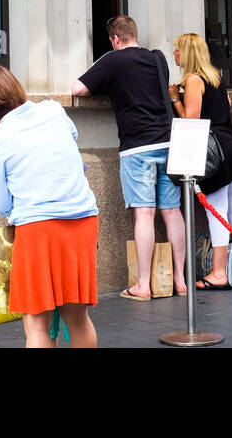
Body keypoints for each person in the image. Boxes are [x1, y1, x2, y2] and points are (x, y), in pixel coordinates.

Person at [0, 65, 99, 348]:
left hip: (38, 228)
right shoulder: (54, 110)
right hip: (82, 220)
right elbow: (72, 137)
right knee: (78, 318)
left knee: (37, 323)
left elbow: (3, 205)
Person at [72, 15, 186, 299]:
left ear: (114, 39)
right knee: (172, 211)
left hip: (137, 146)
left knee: (144, 213)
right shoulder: (158, 58)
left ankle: (143, 285)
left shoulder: (113, 60)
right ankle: (181, 281)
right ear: (135, 33)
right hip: (168, 142)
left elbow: (78, 88)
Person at [169, 32, 232, 289]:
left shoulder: (194, 80)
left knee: (216, 211)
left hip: (215, 152)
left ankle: (218, 273)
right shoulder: (216, 78)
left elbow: (191, 122)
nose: (174, 54)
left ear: (187, 53)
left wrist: (174, 99)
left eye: (177, 50)